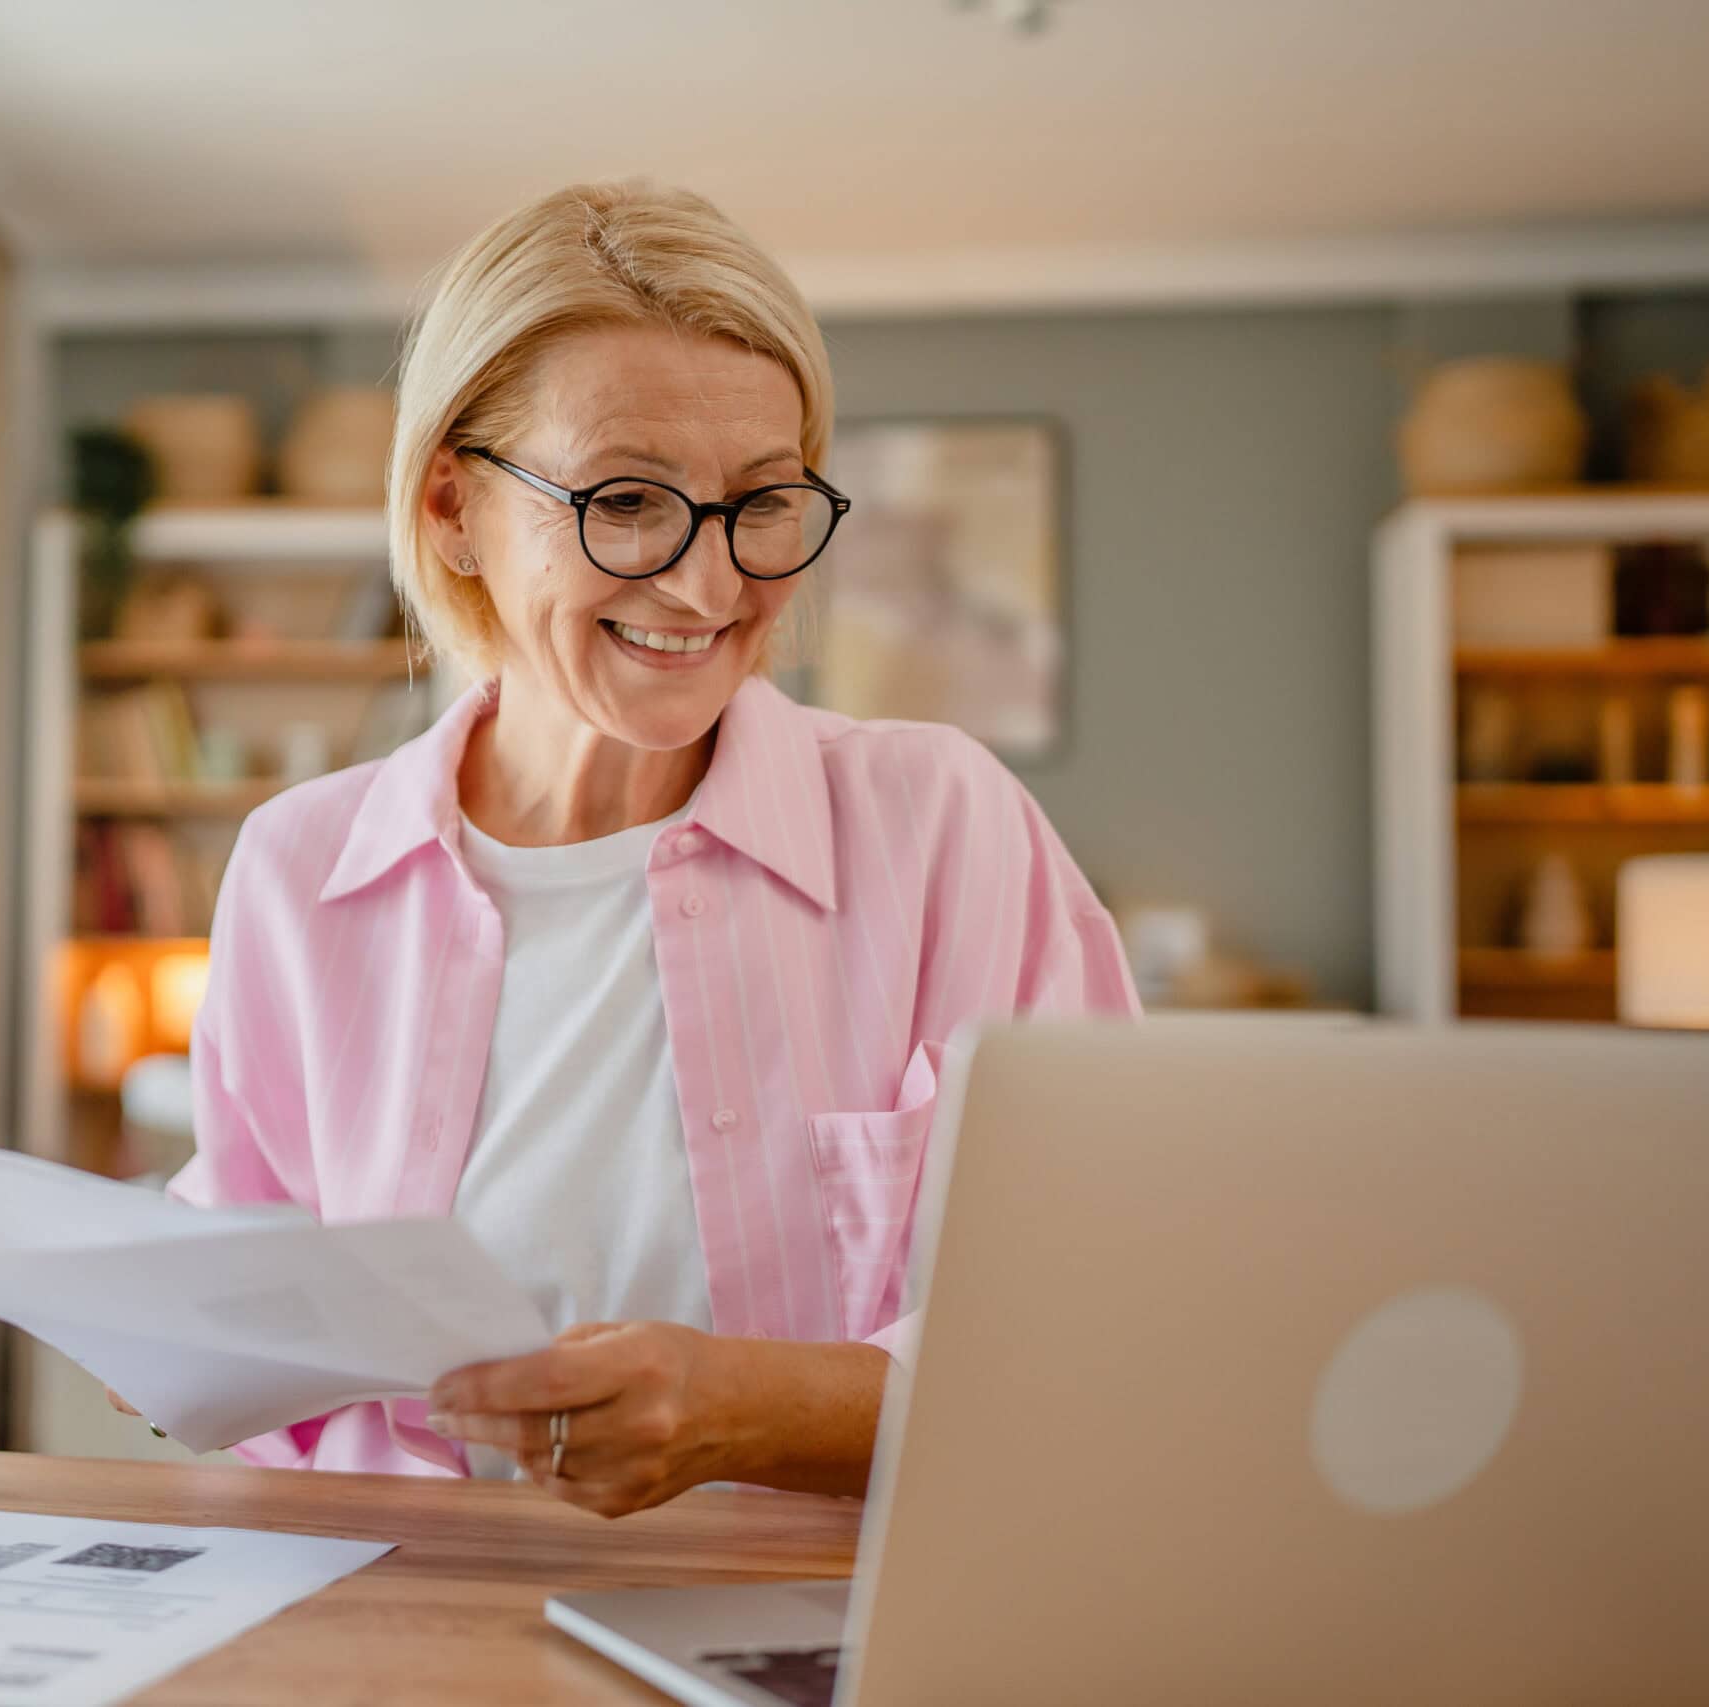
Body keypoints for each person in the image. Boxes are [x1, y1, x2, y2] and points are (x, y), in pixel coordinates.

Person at [158, 180, 1137, 1517]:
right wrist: (190, 1348)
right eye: (626, 501)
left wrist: (749, 1415)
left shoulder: (942, 830)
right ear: (453, 506)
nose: (709, 586)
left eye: (762, 501)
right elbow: (273, 1365)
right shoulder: (298, 872)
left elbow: (1104, 1345)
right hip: (410, 1628)